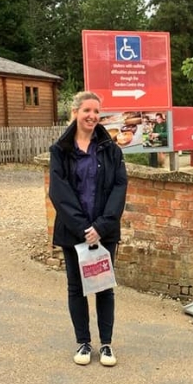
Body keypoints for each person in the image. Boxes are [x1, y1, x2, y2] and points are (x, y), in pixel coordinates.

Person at [49, 91, 128, 367]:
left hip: (104, 231)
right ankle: (83, 342)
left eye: (97, 111)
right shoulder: (60, 150)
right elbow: (59, 192)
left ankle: (106, 344)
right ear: (75, 113)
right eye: (87, 111)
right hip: (74, 232)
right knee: (77, 288)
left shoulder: (111, 149)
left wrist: (101, 226)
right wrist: (84, 228)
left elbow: (120, 188)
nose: (93, 116)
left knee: (104, 287)